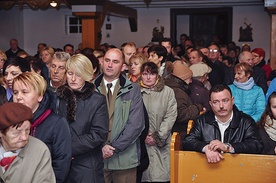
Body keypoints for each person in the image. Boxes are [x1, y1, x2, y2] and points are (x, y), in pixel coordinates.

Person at [55, 53, 109, 183]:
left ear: (86, 75)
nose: (73, 79)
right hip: (60, 166)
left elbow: (98, 134)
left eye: (78, 74)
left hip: (86, 166)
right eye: (70, 73)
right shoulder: (57, 98)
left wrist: (67, 149)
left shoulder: (97, 100)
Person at [94, 48, 145, 183]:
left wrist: (113, 148)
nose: (110, 65)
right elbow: (85, 123)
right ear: (102, 62)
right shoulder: (90, 88)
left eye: (115, 62)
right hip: (96, 157)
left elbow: (136, 125)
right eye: (107, 60)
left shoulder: (133, 90)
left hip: (124, 159)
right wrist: (101, 146)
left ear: (123, 66)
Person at [12, 72, 72, 183]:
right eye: (15, 92)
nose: (18, 97)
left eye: (25, 92)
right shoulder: (10, 122)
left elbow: (62, 162)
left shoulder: (56, 123)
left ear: (40, 96)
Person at [183, 84, 263, 163]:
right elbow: (188, 141)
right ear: (210, 104)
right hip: (208, 169)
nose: (221, 106)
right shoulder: (202, 120)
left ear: (232, 101)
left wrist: (228, 147)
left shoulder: (246, 121)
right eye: (216, 102)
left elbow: (256, 144)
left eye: (225, 101)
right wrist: (206, 148)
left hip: (238, 168)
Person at [138, 62, 177, 182]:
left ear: (157, 75)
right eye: (145, 74)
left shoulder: (167, 92)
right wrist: (142, 136)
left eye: (152, 74)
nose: (148, 77)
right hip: (140, 144)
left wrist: (158, 136)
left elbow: (170, 116)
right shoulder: (135, 92)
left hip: (161, 143)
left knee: (160, 176)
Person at [0, 102, 55, 182]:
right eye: (17, 132)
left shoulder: (40, 151)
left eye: (27, 130)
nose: (24, 137)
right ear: (1, 132)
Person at [165, 61, 203, 138]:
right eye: (189, 78)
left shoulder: (171, 88)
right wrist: (197, 108)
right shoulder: (177, 92)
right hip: (177, 134)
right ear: (183, 79)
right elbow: (181, 115)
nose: (191, 81)